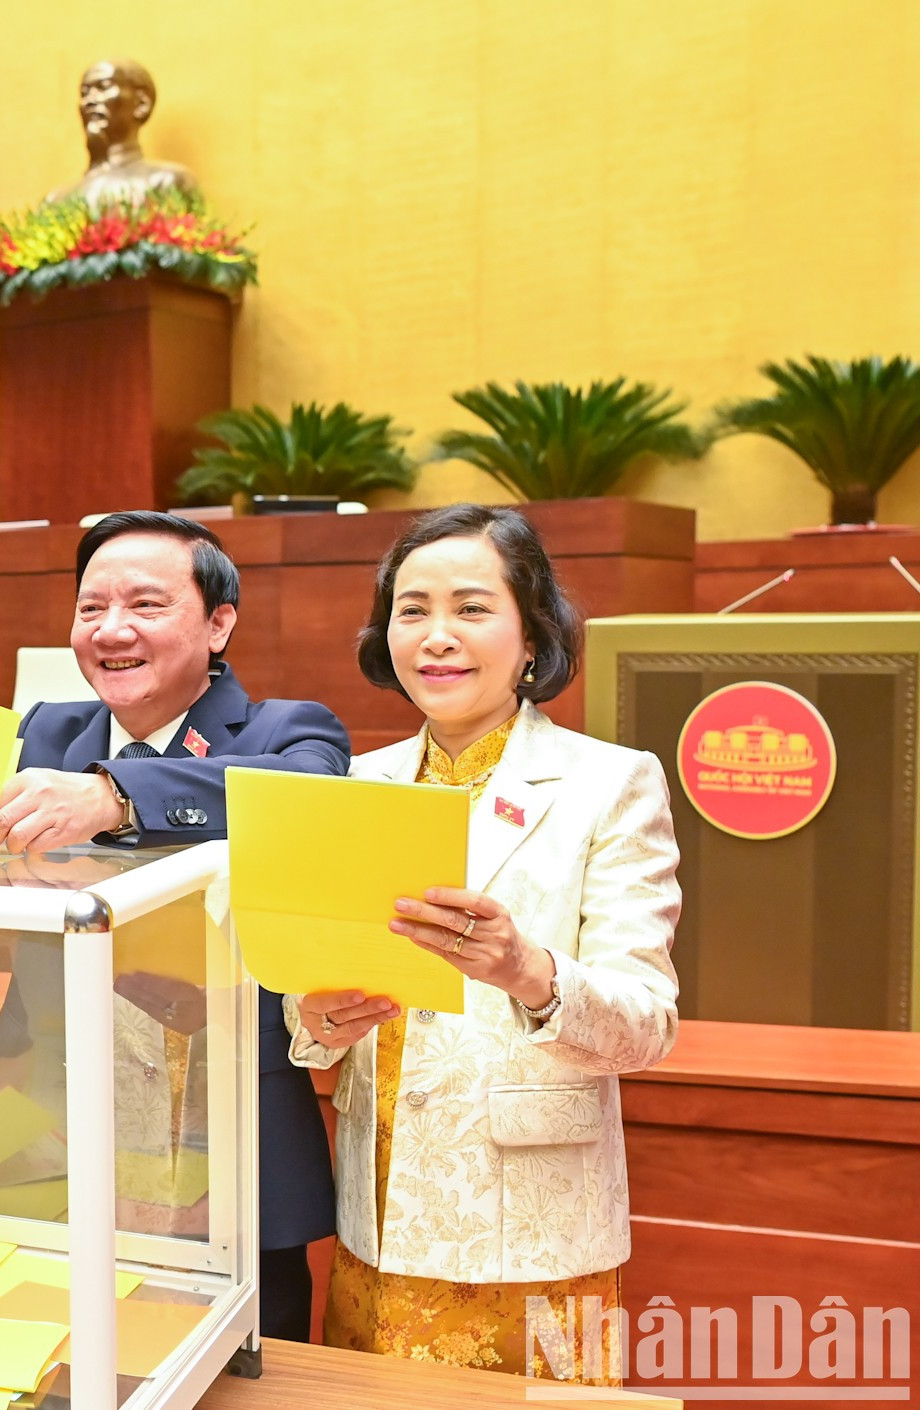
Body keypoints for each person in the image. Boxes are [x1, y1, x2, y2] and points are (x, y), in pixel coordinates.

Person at [288, 504, 680, 1384]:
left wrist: (527, 971)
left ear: (532, 634)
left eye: (471, 608)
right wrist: (315, 1018)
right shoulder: (355, 783)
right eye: (412, 609)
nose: (437, 636)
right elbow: (306, 994)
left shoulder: (610, 783)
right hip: (379, 1213)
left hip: (534, 1232)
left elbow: (647, 1026)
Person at [0, 510, 351, 1343]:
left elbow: (304, 800)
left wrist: (120, 795)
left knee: (245, 1368)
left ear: (219, 623)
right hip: (65, 1129)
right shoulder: (45, 731)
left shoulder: (287, 730)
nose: (112, 630)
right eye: (91, 608)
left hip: (227, 1150)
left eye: (146, 605)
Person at [52, 59, 198, 208]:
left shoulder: (166, 182)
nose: (90, 100)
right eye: (84, 93)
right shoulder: (56, 200)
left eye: (103, 87)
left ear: (141, 103)